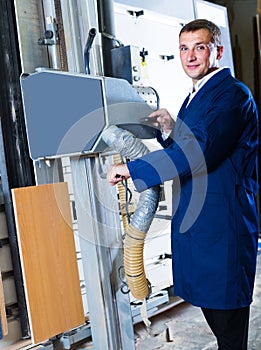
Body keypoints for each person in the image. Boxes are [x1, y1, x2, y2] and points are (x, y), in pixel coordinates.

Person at [107, 19, 259, 349]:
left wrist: (133, 169)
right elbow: (195, 143)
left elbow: (200, 150)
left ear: (217, 51)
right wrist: (169, 129)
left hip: (223, 224)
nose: (190, 56)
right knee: (216, 320)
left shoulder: (232, 95)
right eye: (184, 49)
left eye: (199, 47)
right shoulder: (197, 96)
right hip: (201, 222)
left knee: (230, 330)